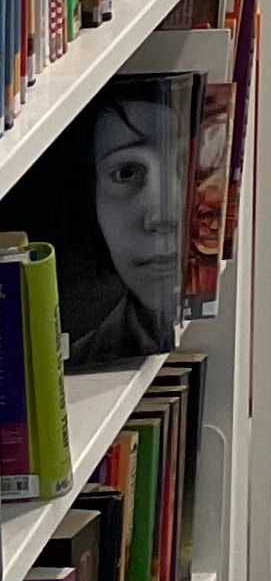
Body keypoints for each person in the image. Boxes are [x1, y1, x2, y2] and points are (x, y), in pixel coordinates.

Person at [24, 81, 185, 368]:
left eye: (189, 165)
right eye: (127, 172)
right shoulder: (80, 353)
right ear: (91, 198)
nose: (162, 218)